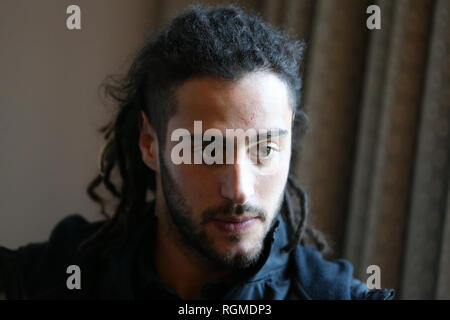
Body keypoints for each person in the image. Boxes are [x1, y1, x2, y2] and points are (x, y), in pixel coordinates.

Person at [0, 4, 394, 300]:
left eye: (265, 148)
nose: (239, 190)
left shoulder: (332, 295)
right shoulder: (61, 275)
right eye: (207, 148)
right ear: (150, 145)